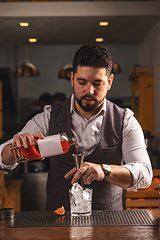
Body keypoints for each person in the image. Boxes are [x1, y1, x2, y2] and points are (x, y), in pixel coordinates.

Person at [0, 44, 152, 211]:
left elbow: (145, 175)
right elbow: (3, 157)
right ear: (72, 79)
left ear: (109, 82)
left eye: (97, 83)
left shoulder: (125, 120)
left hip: (109, 225)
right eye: (82, 82)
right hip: (56, 223)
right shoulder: (48, 117)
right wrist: (15, 149)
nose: (89, 90)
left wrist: (105, 170)